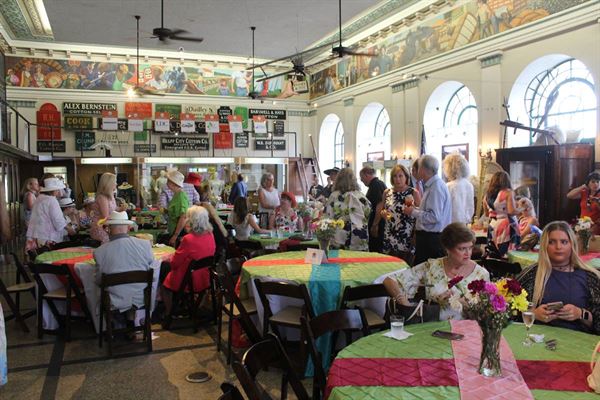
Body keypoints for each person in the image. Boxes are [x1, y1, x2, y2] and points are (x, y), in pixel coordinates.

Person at [383, 223, 490, 321]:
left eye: (470, 248)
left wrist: (464, 304)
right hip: (432, 329)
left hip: (466, 333)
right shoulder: (433, 267)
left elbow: (486, 315)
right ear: (448, 249)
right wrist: (404, 303)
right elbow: (390, 280)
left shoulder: (481, 274)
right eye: (462, 249)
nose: (468, 253)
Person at [517, 221, 600, 334]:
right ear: (544, 245)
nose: (558, 247)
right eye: (552, 242)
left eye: (564, 242)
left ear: (572, 245)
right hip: (537, 340)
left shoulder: (590, 277)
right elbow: (508, 310)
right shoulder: (531, 274)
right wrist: (534, 314)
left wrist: (580, 313)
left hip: (579, 344)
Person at [161, 206, 216, 321]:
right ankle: (183, 304)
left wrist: (168, 258)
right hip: (204, 277)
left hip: (189, 280)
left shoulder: (188, 239)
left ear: (191, 220)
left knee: (164, 281)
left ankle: (169, 312)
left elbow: (175, 264)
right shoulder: (210, 235)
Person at [94, 211, 154, 315]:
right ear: (128, 227)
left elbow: (99, 281)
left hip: (114, 301)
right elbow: (152, 272)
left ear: (109, 229)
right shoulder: (145, 245)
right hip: (141, 298)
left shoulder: (99, 252)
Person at [403, 155, 452, 265]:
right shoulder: (432, 185)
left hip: (431, 240)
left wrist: (413, 212)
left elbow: (434, 217)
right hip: (429, 239)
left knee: (428, 273)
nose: (417, 171)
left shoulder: (436, 188)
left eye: (419, 168)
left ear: (424, 170)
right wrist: (415, 209)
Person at [372, 165, 421, 265]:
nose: (397, 179)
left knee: (405, 265)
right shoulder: (387, 192)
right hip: (389, 233)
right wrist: (384, 214)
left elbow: (420, 216)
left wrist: (415, 235)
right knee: (388, 265)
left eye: (400, 176)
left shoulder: (413, 192)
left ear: (406, 177)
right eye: (395, 176)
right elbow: (383, 210)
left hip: (406, 235)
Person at [325, 168, 371, 251]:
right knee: (359, 262)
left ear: (338, 180)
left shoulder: (334, 196)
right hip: (358, 237)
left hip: (338, 237)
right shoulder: (361, 196)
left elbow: (328, 216)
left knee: (336, 262)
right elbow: (368, 213)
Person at [26, 177, 74, 248]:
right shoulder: (51, 200)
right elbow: (58, 221)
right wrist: (69, 229)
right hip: (47, 238)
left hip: (35, 236)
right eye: (57, 189)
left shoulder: (39, 198)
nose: (58, 191)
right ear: (53, 190)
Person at [483, 171, 520, 258]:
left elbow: (486, 213)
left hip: (493, 225)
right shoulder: (508, 192)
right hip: (506, 225)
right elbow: (511, 212)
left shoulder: (486, 196)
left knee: (494, 251)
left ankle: (497, 269)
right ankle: (509, 270)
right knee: (508, 253)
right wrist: (521, 210)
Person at [360, 166, 387, 253]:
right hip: (377, 223)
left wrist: (375, 225)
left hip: (378, 224)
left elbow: (380, 205)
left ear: (367, 175)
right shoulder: (376, 184)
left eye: (361, 177)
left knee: (376, 249)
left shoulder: (376, 185)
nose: (361, 180)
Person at [443, 153, 474, 225]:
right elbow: (470, 208)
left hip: (451, 224)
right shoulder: (469, 185)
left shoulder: (449, 186)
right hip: (465, 223)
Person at [165, 170, 189, 247]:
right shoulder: (176, 195)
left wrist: (175, 235)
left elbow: (183, 217)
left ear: (173, 183)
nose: (167, 183)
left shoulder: (181, 196)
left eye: (168, 181)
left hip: (179, 233)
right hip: (174, 230)